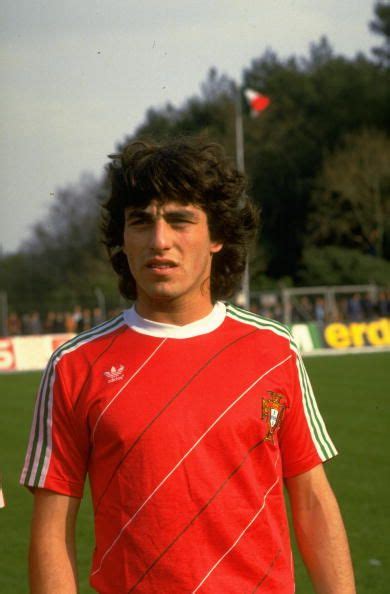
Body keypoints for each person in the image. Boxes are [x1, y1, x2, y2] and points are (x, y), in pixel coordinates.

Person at [21, 138, 356, 594]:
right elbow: (52, 530)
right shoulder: (74, 365)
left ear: (217, 236)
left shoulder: (274, 349)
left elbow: (313, 500)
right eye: (141, 222)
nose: (160, 241)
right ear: (122, 238)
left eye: (180, 220)